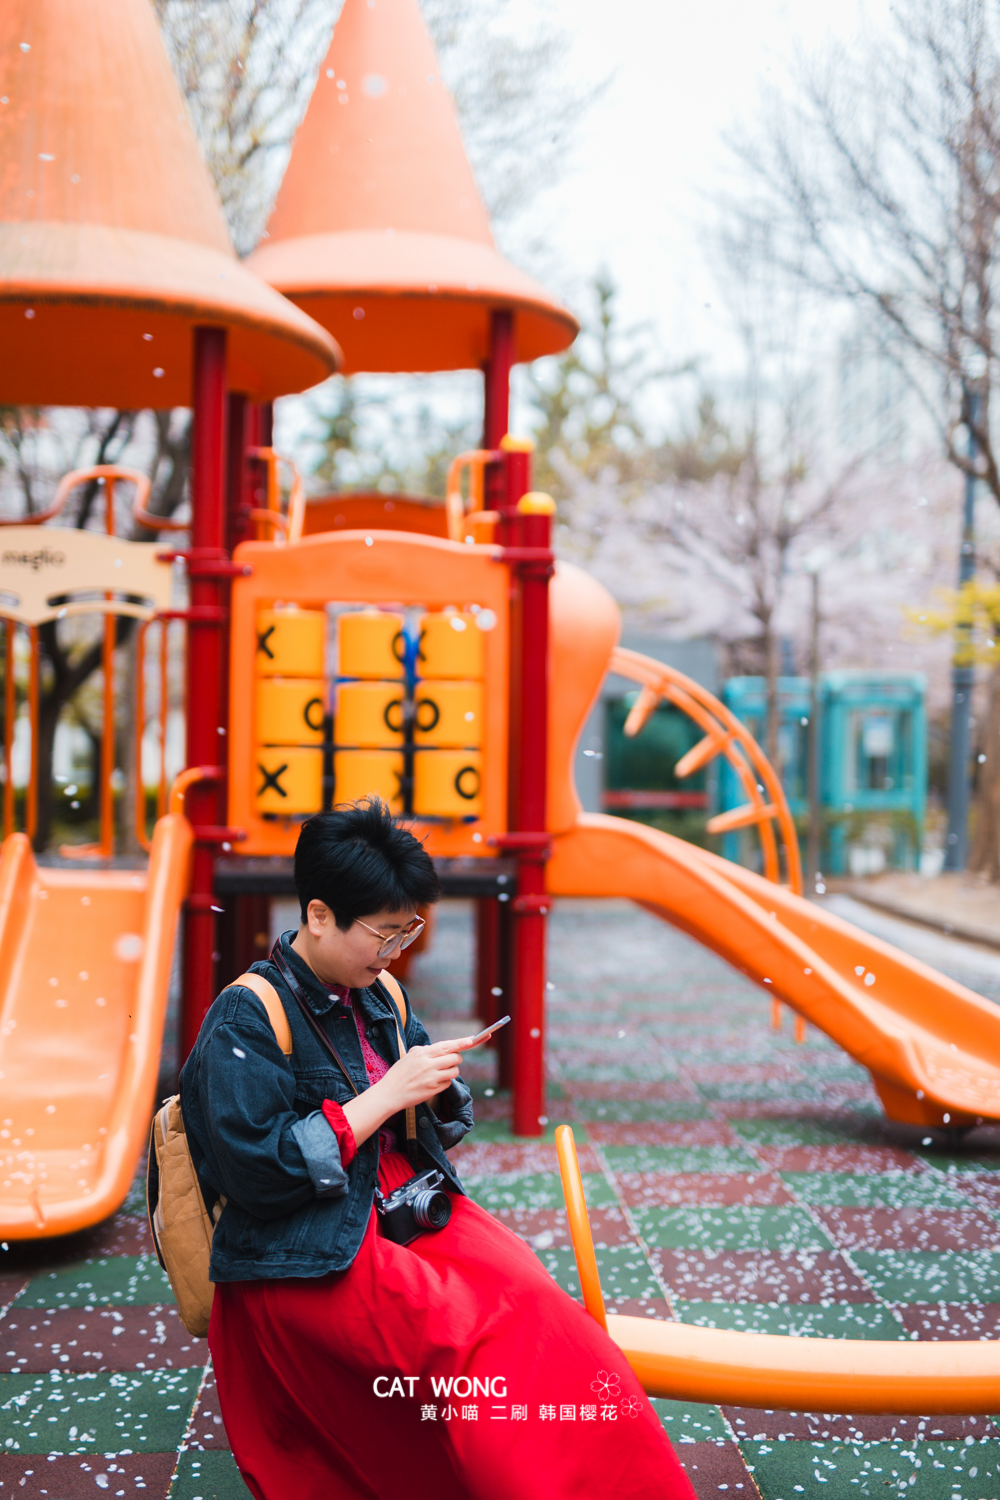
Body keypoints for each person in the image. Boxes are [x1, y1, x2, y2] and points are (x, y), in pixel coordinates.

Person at [180, 798, 696, 1500]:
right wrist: (387, 1094)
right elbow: (257, 1175)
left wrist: (434, 1088)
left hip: (398, 1206)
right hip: (299, 1244)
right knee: (467, 1347)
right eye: (385, 933)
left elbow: (428, 1124)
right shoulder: (247, 1012)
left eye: (408, 930)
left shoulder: (380, 989)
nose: (398, 950)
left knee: (539, 1308)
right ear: (320, 915)